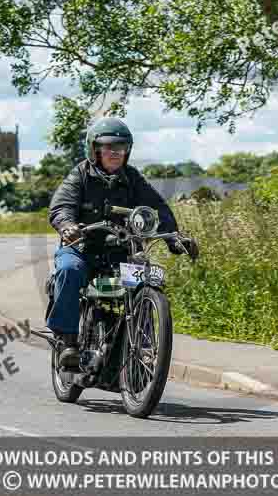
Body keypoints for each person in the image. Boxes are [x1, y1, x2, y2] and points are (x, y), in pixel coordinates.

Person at [47, 117, 196, 366]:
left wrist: (175, 238)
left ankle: (144, 343)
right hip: (81, 249)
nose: (116, 152)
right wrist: (67, 225)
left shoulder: (132, 178)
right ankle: (68, 341)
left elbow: (159, 208)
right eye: (109, 147)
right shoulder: (80, 175)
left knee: (147, 279)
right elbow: (61, 206)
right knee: (68, 270)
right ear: (94, 150)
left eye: (121, 147)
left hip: (120, 253)